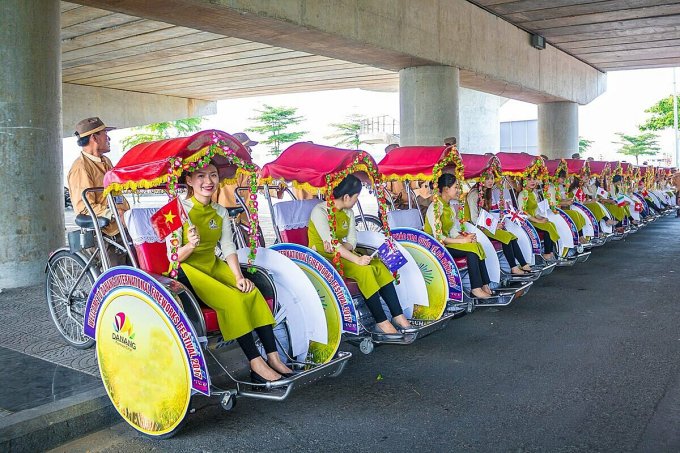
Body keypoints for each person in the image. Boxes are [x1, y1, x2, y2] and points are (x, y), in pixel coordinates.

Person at [173, 161, 293, 384]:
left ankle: (273, 357)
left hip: (213, 264)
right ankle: (256, 364)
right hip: (189, 271)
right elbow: (172, 259)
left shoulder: (219, 211)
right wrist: (189, 246)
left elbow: (228, 247)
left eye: (213, 175)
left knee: (251, 292)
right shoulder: (178, 211)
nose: (208, 181)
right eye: (201, 176)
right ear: (189, 180)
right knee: (233, 301)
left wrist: (239, 277)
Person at [308, 174, 414, 334]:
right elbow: (331, 243)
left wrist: (346, 249)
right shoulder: (320, 211)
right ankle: (381, 322)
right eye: (356, 197)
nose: (357, 201)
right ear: (346, 196)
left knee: (379, 265)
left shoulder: (349, 212)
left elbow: (352, 241)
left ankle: (398, 316)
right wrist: (356, 259)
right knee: (365, 271)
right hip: (324, 259)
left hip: (344, 253)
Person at [425, 174, 493, 299]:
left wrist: (465, 239)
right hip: (436, 246)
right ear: (446, 189)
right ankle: (476, 289)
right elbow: (439, 236)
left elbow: (453, 230)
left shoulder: (449, 206)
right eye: (455, 187)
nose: (458, 190)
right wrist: (463, 242)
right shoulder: (434, 208)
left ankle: (485, 284)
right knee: (471, 252)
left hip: (447, 242)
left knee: (475, 245)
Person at [467, 174, 532, 275]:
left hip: (487, 225)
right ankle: (514, 268)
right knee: (506, 237)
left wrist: (496, 223)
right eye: (487, 178)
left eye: (492, 178)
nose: (490, 181)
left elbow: (487, 214)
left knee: (511, 236)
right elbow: (474, 218)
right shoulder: (474, 194)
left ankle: (523, 264)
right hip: (478, 228)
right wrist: (493, 225)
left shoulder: (487, 191)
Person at [517, 176, 559, 261]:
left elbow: (535, 211)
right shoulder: (522, 194)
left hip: (534, 220)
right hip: (527, 222)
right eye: (529, 180)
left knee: (550, 224)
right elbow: (523, 212)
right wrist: (538, 221)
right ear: (524, 181)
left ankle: (550, 252)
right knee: (548, 228)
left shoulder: (533, 193)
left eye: (534, 179)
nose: (532, 181)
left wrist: (541, 218)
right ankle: (547, 253)